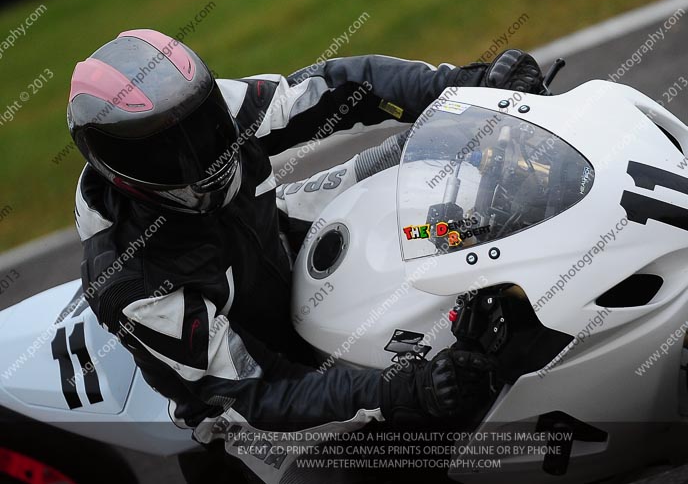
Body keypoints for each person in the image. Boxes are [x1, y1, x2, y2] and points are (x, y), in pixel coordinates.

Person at [67, 29, 546, 482]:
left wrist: (472, 85)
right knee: (392, 463)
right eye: (167, 152)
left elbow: (339, 88)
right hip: (254, 414)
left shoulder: (211, 112)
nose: (199, 153)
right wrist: (404, 388)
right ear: (117, 170)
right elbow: (258, 395)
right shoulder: (130, 281)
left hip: (286, 240)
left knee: (437, 149)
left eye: (202, 127)